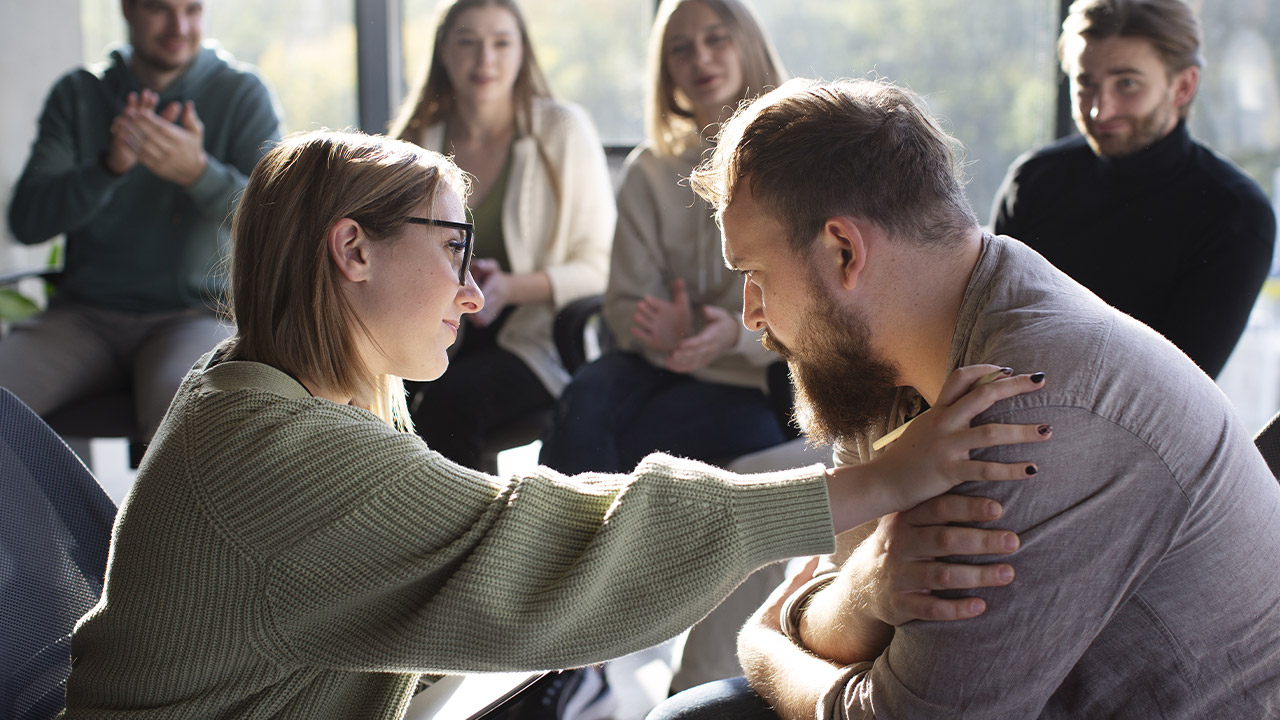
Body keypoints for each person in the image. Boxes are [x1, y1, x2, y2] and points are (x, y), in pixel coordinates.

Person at [58, 129, 1050, 718]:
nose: (470, 293)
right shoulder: (273, 452)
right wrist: (870, 485)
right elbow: (537, 548)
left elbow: (491, 535)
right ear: (351, 251)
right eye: (454, 247)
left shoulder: (273, 391)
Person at [647, 76, 1280, 719]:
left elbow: (885, 700)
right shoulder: (891, 356)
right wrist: (864, 592)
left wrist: (763, 643)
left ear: (844, 250)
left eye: (754, 274)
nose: (750, 316)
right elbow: (829, 593)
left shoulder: (1026, 412)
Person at [2, 0, 282, 441]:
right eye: (159, 9)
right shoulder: (79, 94)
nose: (179, 26)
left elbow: (280, 224)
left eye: (192, 9)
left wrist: (198, 173)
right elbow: (27, 223)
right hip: (81, 317)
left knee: (192, 430)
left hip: (194, 315)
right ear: (128, 9)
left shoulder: (241, 92)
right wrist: (108, 169)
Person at [541, 0, 788, 475]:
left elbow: (819, 297)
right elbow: (621, 303)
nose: (700, 59)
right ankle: (555, 546)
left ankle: (597, 546)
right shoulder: (650, 170)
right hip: (654, 360)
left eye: (716, 38)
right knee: (580, 407)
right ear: (667, 69)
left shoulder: (792, 158)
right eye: (681, 49)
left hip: (755, 376)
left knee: (627, 444)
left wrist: (731, 335)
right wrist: (664, 329)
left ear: (747, 44)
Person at [990, 0, 1276, 379]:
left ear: (1183, 86)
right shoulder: (1032, 180)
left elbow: (1177, 387)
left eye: (1127, 84)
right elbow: (987, 333)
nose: (1099, 111)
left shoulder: (1235, 213)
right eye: (1085, 83)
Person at [388, 0, 615, 470]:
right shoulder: (415, 140)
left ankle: (469, 537)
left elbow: (599, 266)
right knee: (373, 393)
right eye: (468, 42)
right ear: (443, 52)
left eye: (501, 42)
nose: (484, 59)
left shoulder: (562, 131)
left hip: (534, 338)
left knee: (452, 402)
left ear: (522, 53)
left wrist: (509, 287)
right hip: (431, 326)